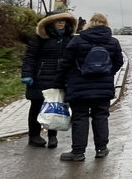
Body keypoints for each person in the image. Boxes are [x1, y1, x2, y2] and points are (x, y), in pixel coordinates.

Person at [55, 13, 124, 161]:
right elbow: (119, 62)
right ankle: (101, 149)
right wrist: (108, 73)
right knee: (101, 116)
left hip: (79, 86)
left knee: (80, 118)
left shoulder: (77, 40)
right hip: (103, 88)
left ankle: (78, 152)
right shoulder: (113, 42)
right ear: (106, 24)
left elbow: (66, 64)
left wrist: (59, 83)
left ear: (90, 24)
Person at [21, 11, 77, 148]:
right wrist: (27, 74)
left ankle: (53, 136)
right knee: (36, 106)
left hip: (60, 76)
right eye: (58, 21)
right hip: (40, 77)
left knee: (56, 105)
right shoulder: (39, 37)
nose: (61, 23)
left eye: (63, 20)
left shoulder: (70, 38)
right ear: (50, 22)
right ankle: (34, 136)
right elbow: (30, 57)